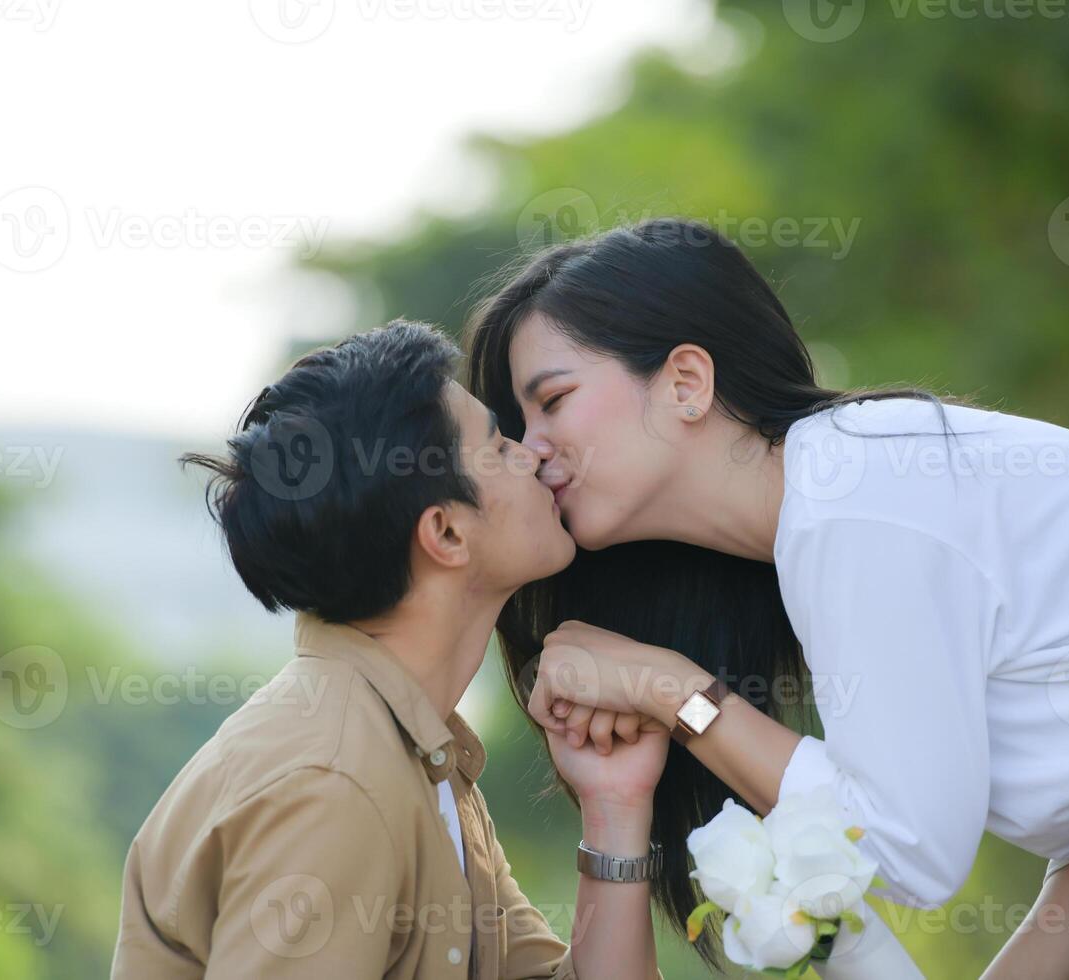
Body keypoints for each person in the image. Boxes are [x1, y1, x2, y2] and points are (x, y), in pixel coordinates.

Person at [464, 217, 1069, 978]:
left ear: (688, 383)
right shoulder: (832, 515)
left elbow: (909, 852)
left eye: (553, 400)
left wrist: (669, 688)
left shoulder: (856, 500)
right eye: (518, 422)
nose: (533, 446)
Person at [111, 321, 668, 979]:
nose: (531, 454)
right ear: (446, 533)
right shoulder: (335, 782)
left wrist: (615, 810)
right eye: (496, 446)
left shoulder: (406, 752)